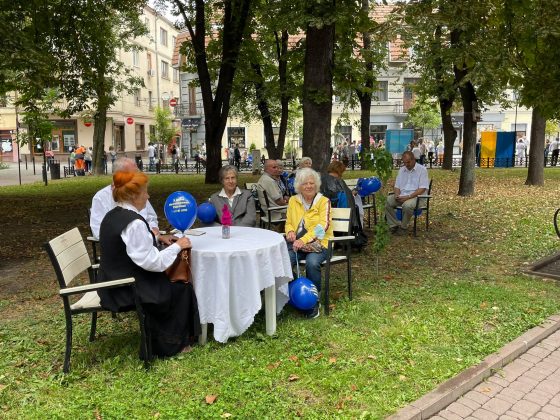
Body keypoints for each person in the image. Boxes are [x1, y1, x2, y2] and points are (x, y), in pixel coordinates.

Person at [97, 170, 200, 357]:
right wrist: (179, 246)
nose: (148, 195)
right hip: (123, 288)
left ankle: (171, 338)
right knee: (180, 288)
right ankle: (171, 344)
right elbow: (152, 262)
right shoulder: (133, 223)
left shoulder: (113, 214)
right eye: (145, 192)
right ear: (133, 195)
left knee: (171, 284)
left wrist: (158, 238)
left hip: (114, 279)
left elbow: (133, 249)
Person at [285, 168, 334, 319]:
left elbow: (322, 228)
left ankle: (314, 300)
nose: (308, 186)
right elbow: (288, 222)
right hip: (298, 245)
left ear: (317, 185)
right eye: (305, 183)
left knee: (312, 262)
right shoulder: (294, 200)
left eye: (312, 183)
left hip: (320, 245)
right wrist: (290, 232)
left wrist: (303, 240)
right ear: (299, 186)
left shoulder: (324, 201)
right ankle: (294, 293)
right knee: (284, 260)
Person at [90, 157, 172, 244]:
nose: (138, 176)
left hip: (147, 242)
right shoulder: (100, 198)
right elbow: (99, 231)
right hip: (124, 249)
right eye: (134, 174)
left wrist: (154, 231)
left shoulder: (138, 193)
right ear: (120, 176)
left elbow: (151, 218)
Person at [385, 150, 430, 236]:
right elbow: (397, 186)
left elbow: (422, 189)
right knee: (388, 201)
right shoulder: (402, 170)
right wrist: (397, 194)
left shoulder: (422, 170)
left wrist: (408, 196)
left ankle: (403, 227)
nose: (406, 165)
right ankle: (394, 225)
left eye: (408, 162)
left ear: (413, 159)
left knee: (407, 205)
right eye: (404, 162)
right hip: (403, 196)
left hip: (417, 197)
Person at [320, 161, 364, 229]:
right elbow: (346, 198)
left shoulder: (321, 180)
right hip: (340, 220)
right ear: (339, 170)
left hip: (323, 216)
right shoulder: (339, 182)